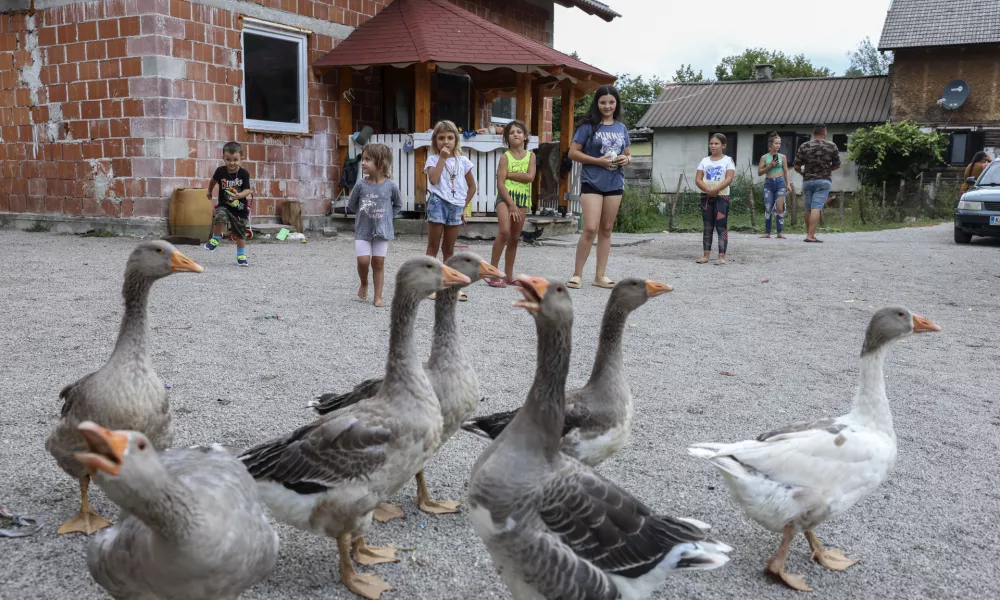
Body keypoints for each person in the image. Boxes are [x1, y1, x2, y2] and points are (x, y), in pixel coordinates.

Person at [566, 85, 631, 289]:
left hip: (615, 183)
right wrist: (598, 161)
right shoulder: (587, 126)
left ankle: (599, 276)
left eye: (611, 102)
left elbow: (628, 153)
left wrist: (626, 159)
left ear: (616, 104)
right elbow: (572, 153)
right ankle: (577, 274)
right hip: (591, 181)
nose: (607, 106)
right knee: (590, 228)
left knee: (607, 229)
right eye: (603, 102)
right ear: (597, 103)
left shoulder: (621, 128)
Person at [425, 120, 476, 301]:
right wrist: (442, 159)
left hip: (456, 206)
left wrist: (463, 206)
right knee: (433, 247)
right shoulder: (433, 159)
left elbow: (472, 187)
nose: (445, 142)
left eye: (449, 137)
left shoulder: (464, 162)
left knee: (449, 248)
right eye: (441, 138)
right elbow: (433, 179)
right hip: (438, 203)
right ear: (435, 141)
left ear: (456, 140)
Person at [348, 143, 402, 307]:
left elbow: (398, 204)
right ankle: (364, 282)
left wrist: (387, 218)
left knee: (378, 263)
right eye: (363, 159)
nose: (363, 162)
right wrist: (362, 215)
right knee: (363, 261)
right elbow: (352, 204)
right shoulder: (361, 185)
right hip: (363, 230)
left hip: (382, 231)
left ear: (381, 163)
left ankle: (378, 296)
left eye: (368, 159)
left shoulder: (391, 186)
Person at [488, 120, 536, 288]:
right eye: (511, 132)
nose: (515, 134)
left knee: (515, 237)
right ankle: (492, 272)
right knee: (504, 232)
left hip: (523, 199)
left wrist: (509, 174)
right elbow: (500, 184)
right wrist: (511, 204)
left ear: (525, 136)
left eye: (519, 131)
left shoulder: (531, 156)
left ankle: (508, 275)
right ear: (506, 138)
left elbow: (530, 177)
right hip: (505, 198)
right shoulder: (504, 157)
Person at [204, 141, 253, 266]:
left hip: (239, 208)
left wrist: (240, 195)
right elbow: (212, 181)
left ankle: (241, 255)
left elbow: (248, 190)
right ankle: (216, 238)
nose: (232, 163)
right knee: (219, 216)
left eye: (235, 160)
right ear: (223, 158)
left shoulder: (243, 173)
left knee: (240, 232)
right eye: (228, 160)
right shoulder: (220, 171)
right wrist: (209, 191)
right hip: (224, 205)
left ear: (241, 158)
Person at [793, 124, 841, 243]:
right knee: (816, 207)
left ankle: (809, 234)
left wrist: (803, 173)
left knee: (808, 208)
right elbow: (837, 165)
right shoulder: (831, 146)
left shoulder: (804, 146)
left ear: (813, 132)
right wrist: (827, 170)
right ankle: (810, 236)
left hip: (808, 181)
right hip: (823, 180)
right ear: (824, 132)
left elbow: (796, 166)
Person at [695, 134, 736, 265]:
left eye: (716, 143)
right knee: (707, 226)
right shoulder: (704, 161)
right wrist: (708, 190)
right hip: (706, 197)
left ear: (723, 145)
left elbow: (729, 178)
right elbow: (698, 179)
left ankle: (721, 256)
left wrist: (716, 189)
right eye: (711, 143)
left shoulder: (728, 160)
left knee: (721, 227)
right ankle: (706, 256)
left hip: (722, 197)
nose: (713, 146)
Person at [758, 132, 790, 239]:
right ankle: (767, 232)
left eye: (779, 143)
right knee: (768, 207)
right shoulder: (764, 157)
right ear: (770, 144)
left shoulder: (783, 157)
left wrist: (788, 184)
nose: (778, 145)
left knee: (780, 207)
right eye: (776, 143)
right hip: (769, 183)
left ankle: (779, 232)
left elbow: (786, 171)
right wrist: (769, 166)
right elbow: (759, 172)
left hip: (780, 182)